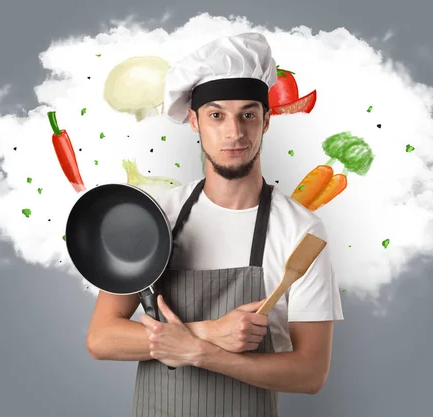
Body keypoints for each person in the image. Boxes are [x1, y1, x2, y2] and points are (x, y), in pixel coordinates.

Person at [85, 32, 344, 417]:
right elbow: (102, 338)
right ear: (194, 121)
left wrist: (201, 352)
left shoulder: (300, 231)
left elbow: (310, 373)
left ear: (267, 121)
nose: (234, 132)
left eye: (248, 114)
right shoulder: (158, 215)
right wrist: (207, 331)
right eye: (217, 115)